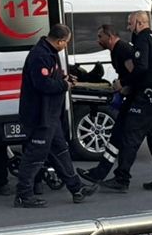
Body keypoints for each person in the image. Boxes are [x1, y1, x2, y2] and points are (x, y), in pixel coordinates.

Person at [14, 23, 97, 208]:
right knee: (34, 156)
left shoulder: (50, 53)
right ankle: (23, 195)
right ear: (60, 41)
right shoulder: (40, 56)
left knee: (61, 152)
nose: (66, 46)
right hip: (39, 116)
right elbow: (42, 84)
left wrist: (64, 79)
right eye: (66, 43)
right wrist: (64, 85)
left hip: (50, 116)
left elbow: (52, 78)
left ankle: (77, 188)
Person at [107, 11, 152, 191]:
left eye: (130, 23)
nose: (128, 27)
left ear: (139, 23)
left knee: (131, 134)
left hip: (149, 96)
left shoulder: (142, 40)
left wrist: (123, 83)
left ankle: (122, 178)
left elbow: (141, 67)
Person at [77, 24, 136, 188]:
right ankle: (100, 173)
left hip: (137, 100)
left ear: (110, 37)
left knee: (129, 139)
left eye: (100, 37)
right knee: (120, 136)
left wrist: (123, 85)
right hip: (131, 98)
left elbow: (135, 73)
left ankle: (120, 178)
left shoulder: (122, 49)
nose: (98, 40)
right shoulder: (115, 51)